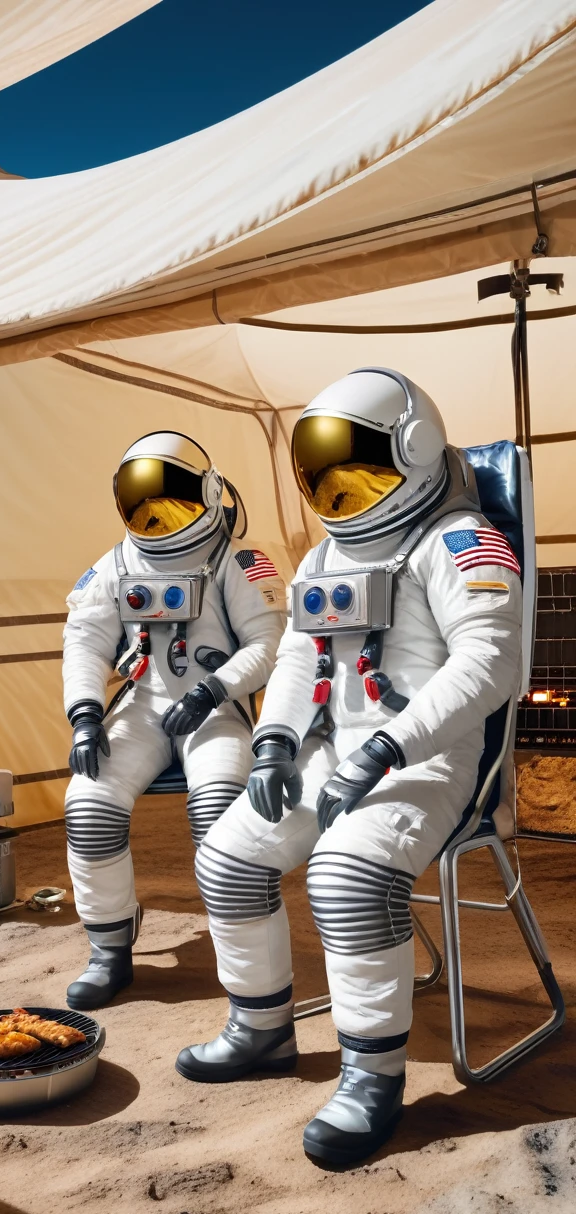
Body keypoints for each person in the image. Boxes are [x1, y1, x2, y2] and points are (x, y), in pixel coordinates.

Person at [176, 369, 523, 1165]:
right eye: (325, 475)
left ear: (414, 447)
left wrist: (385, 747)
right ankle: (259, 1028)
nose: (340, 490)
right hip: (328, 754)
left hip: (430, 761)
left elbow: (490, 663)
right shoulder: (325, 556)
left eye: (358, 469)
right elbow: (299, 660)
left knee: (345, 876)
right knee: (227, 860)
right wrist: (273, 744)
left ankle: (372, 1076)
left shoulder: (460, 541)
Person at [62, 431, 285, 1010]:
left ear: (210, 492)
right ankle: (109, 952)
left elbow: (268, 642)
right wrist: (85, 715)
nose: (155, 514)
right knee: (88, 806)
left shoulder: (236, 558)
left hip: (215, 712)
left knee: (219, 820)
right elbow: (85, 642)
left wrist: (214, 688)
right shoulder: (115, 563)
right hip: (143, 705)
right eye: (140, 503)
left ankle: (241, 964)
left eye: (170, 499)